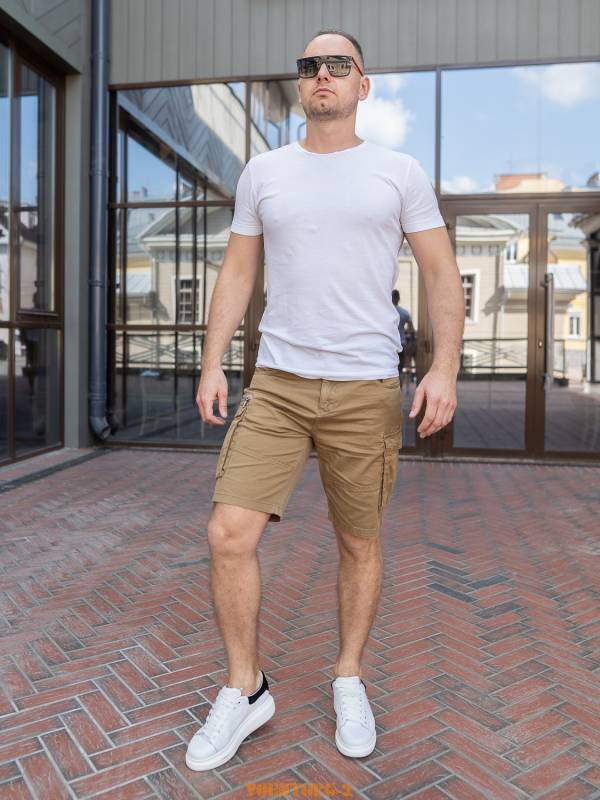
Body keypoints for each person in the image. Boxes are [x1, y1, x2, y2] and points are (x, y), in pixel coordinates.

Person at [188, 29, 465, 771]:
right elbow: (237, 274)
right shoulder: (265, 172)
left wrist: (443, 369)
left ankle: (348, 677)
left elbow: (441, 272)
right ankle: (246, 689)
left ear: (361, 85)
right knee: (228, 534)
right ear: (301, 83)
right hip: (277, 385)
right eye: (310, 66)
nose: (322, 75)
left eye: (337, 65)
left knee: (357, 542)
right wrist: (212, 363)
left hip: (364, 388)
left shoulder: (397, 172)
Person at [392, 288, 415, 377]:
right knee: (400, 367)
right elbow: (411, 329)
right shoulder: (404, 313)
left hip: (388, 344)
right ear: (398, 299)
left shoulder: (386, 311)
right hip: (401, 343)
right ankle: (400, 383)